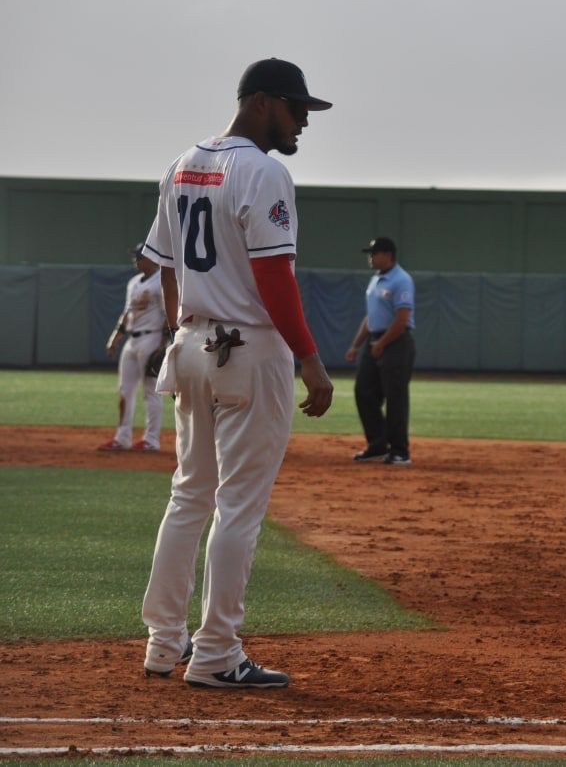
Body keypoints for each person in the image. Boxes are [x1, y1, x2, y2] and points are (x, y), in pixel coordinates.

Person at [138, 57, 334, 688]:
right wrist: (311, 360)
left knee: (188, 497)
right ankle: (217, 652)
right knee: (239, 508)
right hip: (249, 350)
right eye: (297, 108)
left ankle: (164, 643)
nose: (304, 121)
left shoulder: (180, 164)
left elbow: (161, 262)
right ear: (261, 103)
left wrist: (181, 330)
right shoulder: (263, 171)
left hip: (192, 345)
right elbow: (274, 277)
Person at [345, 236, 415, 466]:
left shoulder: (401, 280)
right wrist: (356, 344)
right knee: (363, 391)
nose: (370, 257)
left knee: (395, 397)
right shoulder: (375, 280)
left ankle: (399, 451)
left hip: (396, 342)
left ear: (387, 255)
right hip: (374, 340)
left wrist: (383, 343)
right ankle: (377, 444)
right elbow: (371, 317)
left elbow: (402, 319)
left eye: (374, 253)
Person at [99, 244, 166, 452]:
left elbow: (169, 314)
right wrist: (115, 338)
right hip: (132, 340)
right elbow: (127, 313)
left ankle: (151, 439)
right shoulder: (133, 283)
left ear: (152, 258)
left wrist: (163, 346)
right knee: (124, 389)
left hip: (152, 338)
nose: (136, 260)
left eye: (139, 257)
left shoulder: (163, 280)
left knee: (150, 391)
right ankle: (122, 437)